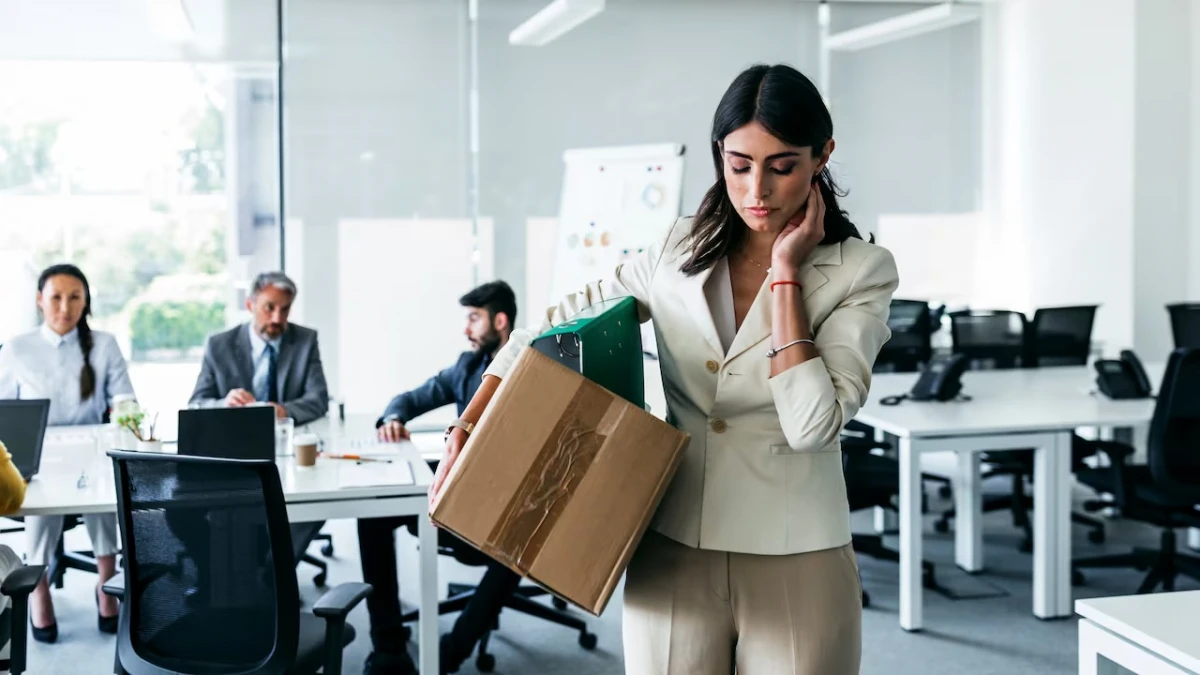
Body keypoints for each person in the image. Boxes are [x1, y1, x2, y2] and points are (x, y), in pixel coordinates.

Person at [432, 64, 898, 675]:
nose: (756, 188)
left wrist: (785, 275)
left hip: (797, 552)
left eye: (781, 166)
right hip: (675, 544)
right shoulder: (679, 249)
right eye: (738, 165)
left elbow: (813, 424)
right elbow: (550, 325)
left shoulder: (861, 270)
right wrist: (469, 423)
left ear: (821, 156)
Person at [359, 281, 523, 675]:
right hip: (458, 495)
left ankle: (450, 653)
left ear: (499, 321)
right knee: (372, 514)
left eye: (473, 319)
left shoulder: (529, 371)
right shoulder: (466, 367)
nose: (467, 329)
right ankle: (389, 647)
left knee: (519, 554)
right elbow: (412, 398)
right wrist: (394, 417)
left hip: (506, 505)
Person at [0, 264, 129, 643]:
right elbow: (4, 410)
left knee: (106, 498)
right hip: (40, 454)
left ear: (86, 301)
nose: (65, 306)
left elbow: (124, 398)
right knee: (39, 507)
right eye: (55, 297)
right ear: (40, 300)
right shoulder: (17, 348)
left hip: (93, 449)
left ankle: (107, 584)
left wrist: (125, 413)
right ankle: (39, 591)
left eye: (75, 297)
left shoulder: (104, 344)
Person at [188, 271, 329, 425]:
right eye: (269, 308)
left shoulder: (305, 341)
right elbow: (197, 404)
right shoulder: (219, 345)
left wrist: (283, 411)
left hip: (287, 437)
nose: (277, 318)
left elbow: (319, 400)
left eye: (285, 309)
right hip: (233, 436)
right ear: (250, 305)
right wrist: (224, 405)